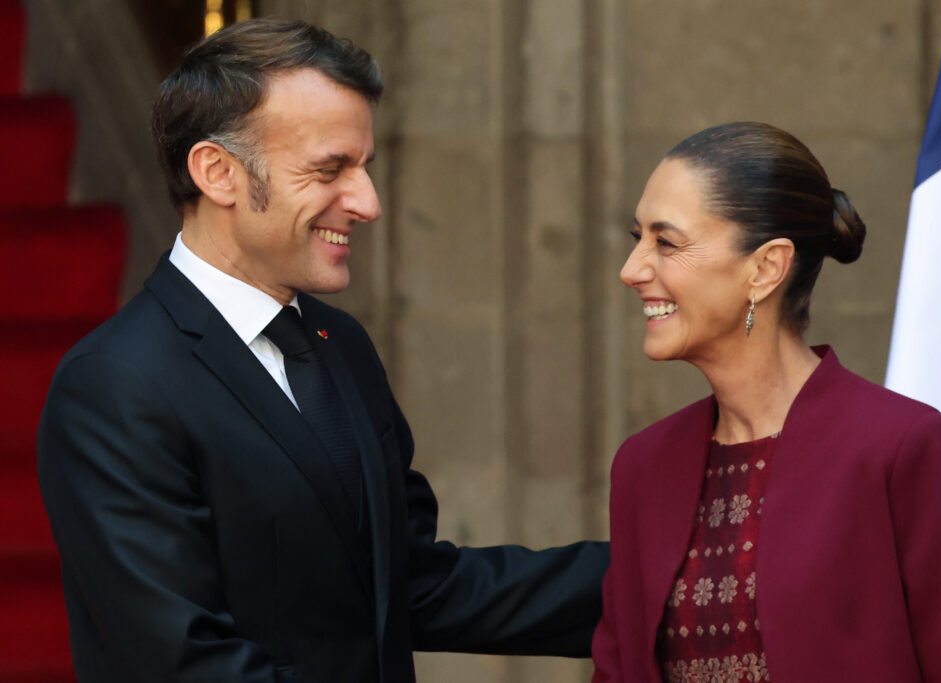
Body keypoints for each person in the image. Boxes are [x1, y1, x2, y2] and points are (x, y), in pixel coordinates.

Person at [37, 18, 608, 683]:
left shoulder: (342, 344)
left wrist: (674, 577)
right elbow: (185, 663)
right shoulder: (114, 384)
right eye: (330, 169)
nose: (367, 202)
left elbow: (410, 584)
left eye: (364, 168)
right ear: (218, 173)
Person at [590, 122, 941, 682]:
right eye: (637, 237)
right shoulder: (643, 465)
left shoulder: (904, 448)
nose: (632, 269)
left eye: (666, 242)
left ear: (766, 268)